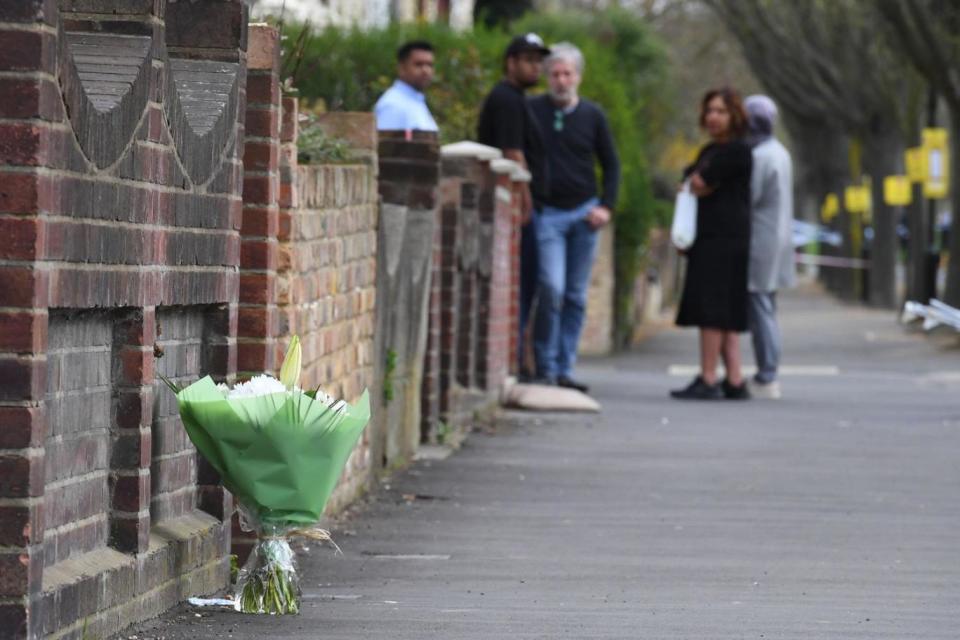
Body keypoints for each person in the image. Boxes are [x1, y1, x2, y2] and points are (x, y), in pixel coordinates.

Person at [526, 42, 619, 392]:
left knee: (577, 296)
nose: (562, 80)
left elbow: (611, 164)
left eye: (568, 74)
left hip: (584, 214)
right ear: (547, 77)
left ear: (578, 77)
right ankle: (544, 365)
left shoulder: (593, 116)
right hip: (547, 214)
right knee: (551, 288)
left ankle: (565, 367)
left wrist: (606, 206)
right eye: (555, 74)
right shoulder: (532, 110)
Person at [671, 88, 753, 400]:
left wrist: (694, 182)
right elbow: (691, 181)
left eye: (720, 111)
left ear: (734, 116)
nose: (713, 117)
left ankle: (708, 377)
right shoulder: (710, 151)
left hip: (724, 240)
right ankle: (734, 378)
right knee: (725, 312)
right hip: (710, 238)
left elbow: (698, 183)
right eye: (710, 111)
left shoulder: (736, 152)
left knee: (714, 311)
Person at [477, 33, 550, 380]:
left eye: (539, 60)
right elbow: (512, 154)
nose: (535, 66)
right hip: (516, 208)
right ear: (511, 62)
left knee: (527, 283)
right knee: (522, 282)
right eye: (528, 59)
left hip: (519, 206)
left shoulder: (518, 98)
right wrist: (525, 207)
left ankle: (519, 358)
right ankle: (516, 361)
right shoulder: (506, 99)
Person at [744, 95, 795, 399]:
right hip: (776, 237)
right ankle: (768, 368)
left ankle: (767, 372)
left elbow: (749, 197)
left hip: (761, 239)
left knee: (760, 305)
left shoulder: (762, 156)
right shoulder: (780, 153)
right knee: (767, 305)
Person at [374, 40, 438, 132]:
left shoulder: (415, 101)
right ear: (401, 68)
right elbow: (386, 145)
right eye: (418, 64)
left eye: (430, 65)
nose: (426, 70)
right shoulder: (393, 105)